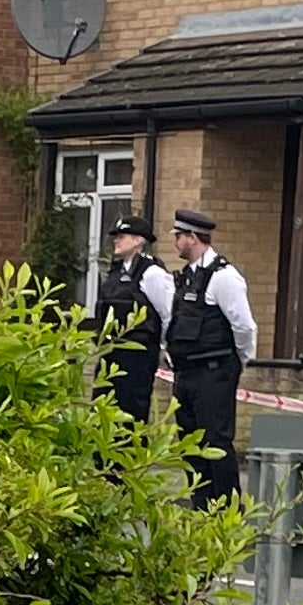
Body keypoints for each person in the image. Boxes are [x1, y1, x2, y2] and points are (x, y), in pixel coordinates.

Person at [157, 206, 258, 503]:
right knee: (191, 443)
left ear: (192, 237)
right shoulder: (188, 277)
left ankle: (226, 510)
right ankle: (202, 508)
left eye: (179, 236)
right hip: (186, 373)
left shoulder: (223, 276)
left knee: (215, 442)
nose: (175, 242)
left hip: (214, 371)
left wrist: (240, 359)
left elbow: (243, 325)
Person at [88, 213, 168, 424]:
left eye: (123, 235)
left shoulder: (151, 273)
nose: (116, 240)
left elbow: (167, 313)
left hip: (137, 357)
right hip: (109, 353)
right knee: (102, 413)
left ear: (138, 240)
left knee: (130, 415)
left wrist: (163, 348)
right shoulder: (115, 272)